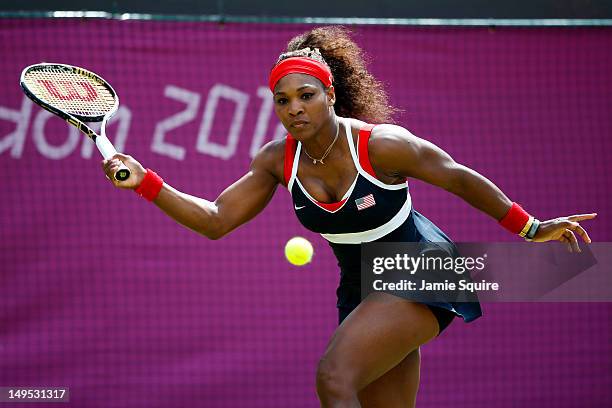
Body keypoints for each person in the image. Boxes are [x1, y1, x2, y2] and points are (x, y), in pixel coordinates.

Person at [102, 26, 596, 408]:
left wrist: (530, 228)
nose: (294, 108)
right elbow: (215, 219)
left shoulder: (380, 145)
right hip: (360, 284)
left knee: (334, 377)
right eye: (283, 100)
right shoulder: (277, 160)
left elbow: (458, 177)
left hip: (423, 264)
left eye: (306, 96)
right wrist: (146, 182)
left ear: (330, 95)